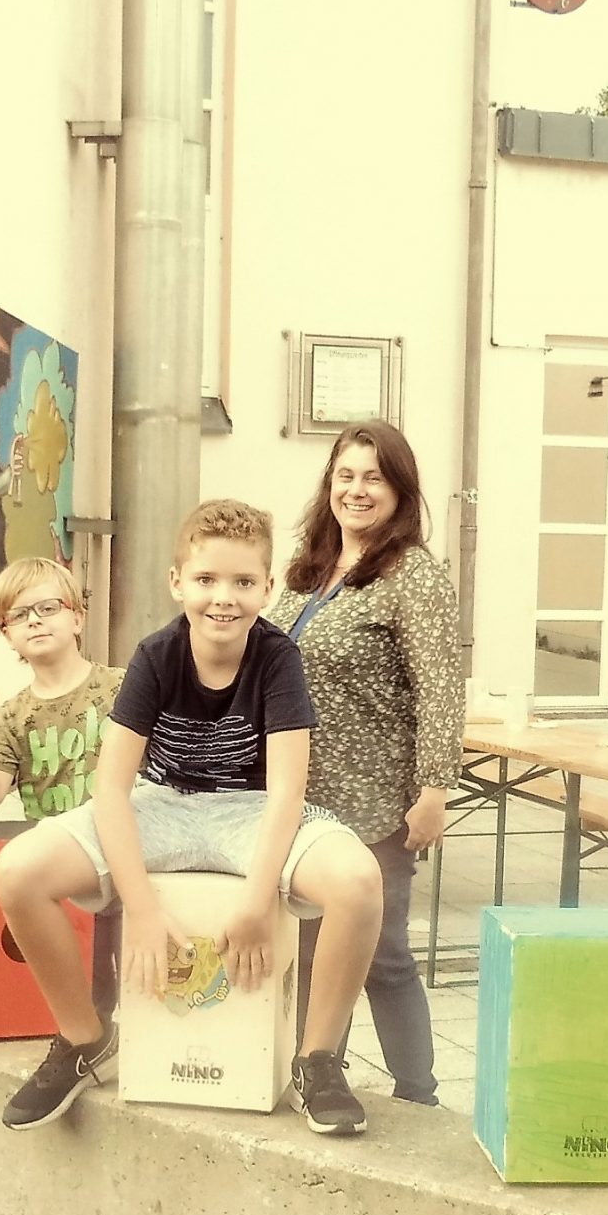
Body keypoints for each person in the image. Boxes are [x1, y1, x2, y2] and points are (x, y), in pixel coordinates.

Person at [0, 500, 383, 1136]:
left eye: (242, 581)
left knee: (360, 881)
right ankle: (85, 1039)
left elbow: (288, 790)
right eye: (206, 579)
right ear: (178, 583)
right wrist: (141, 908)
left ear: (267, 588)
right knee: (17, 871)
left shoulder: (279, 657)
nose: (223, 598)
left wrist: (257, 903)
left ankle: (317, 1061)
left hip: (252, 809)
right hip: (161, 803)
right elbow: (111, 788)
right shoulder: (156, 655)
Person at [266, 422, 462, 1106]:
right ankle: (320, 1073)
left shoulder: (414, 576)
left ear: (399, 490)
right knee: (314, 950)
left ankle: (418, 1094)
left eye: (373, 477)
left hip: (375, 800)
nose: (357, 490)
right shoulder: (311, 569)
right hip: (302, 799)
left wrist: (435, 790)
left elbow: (441, 687)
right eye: (345, 475)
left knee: (382, 955)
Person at [0, 557, 121, 821]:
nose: (33, 620)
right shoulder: (11, 717)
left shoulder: (123, 688)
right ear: (7, 635)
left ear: (77, 619)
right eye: (19, 615)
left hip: (122, 838)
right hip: (49, 844)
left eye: (47, 608)